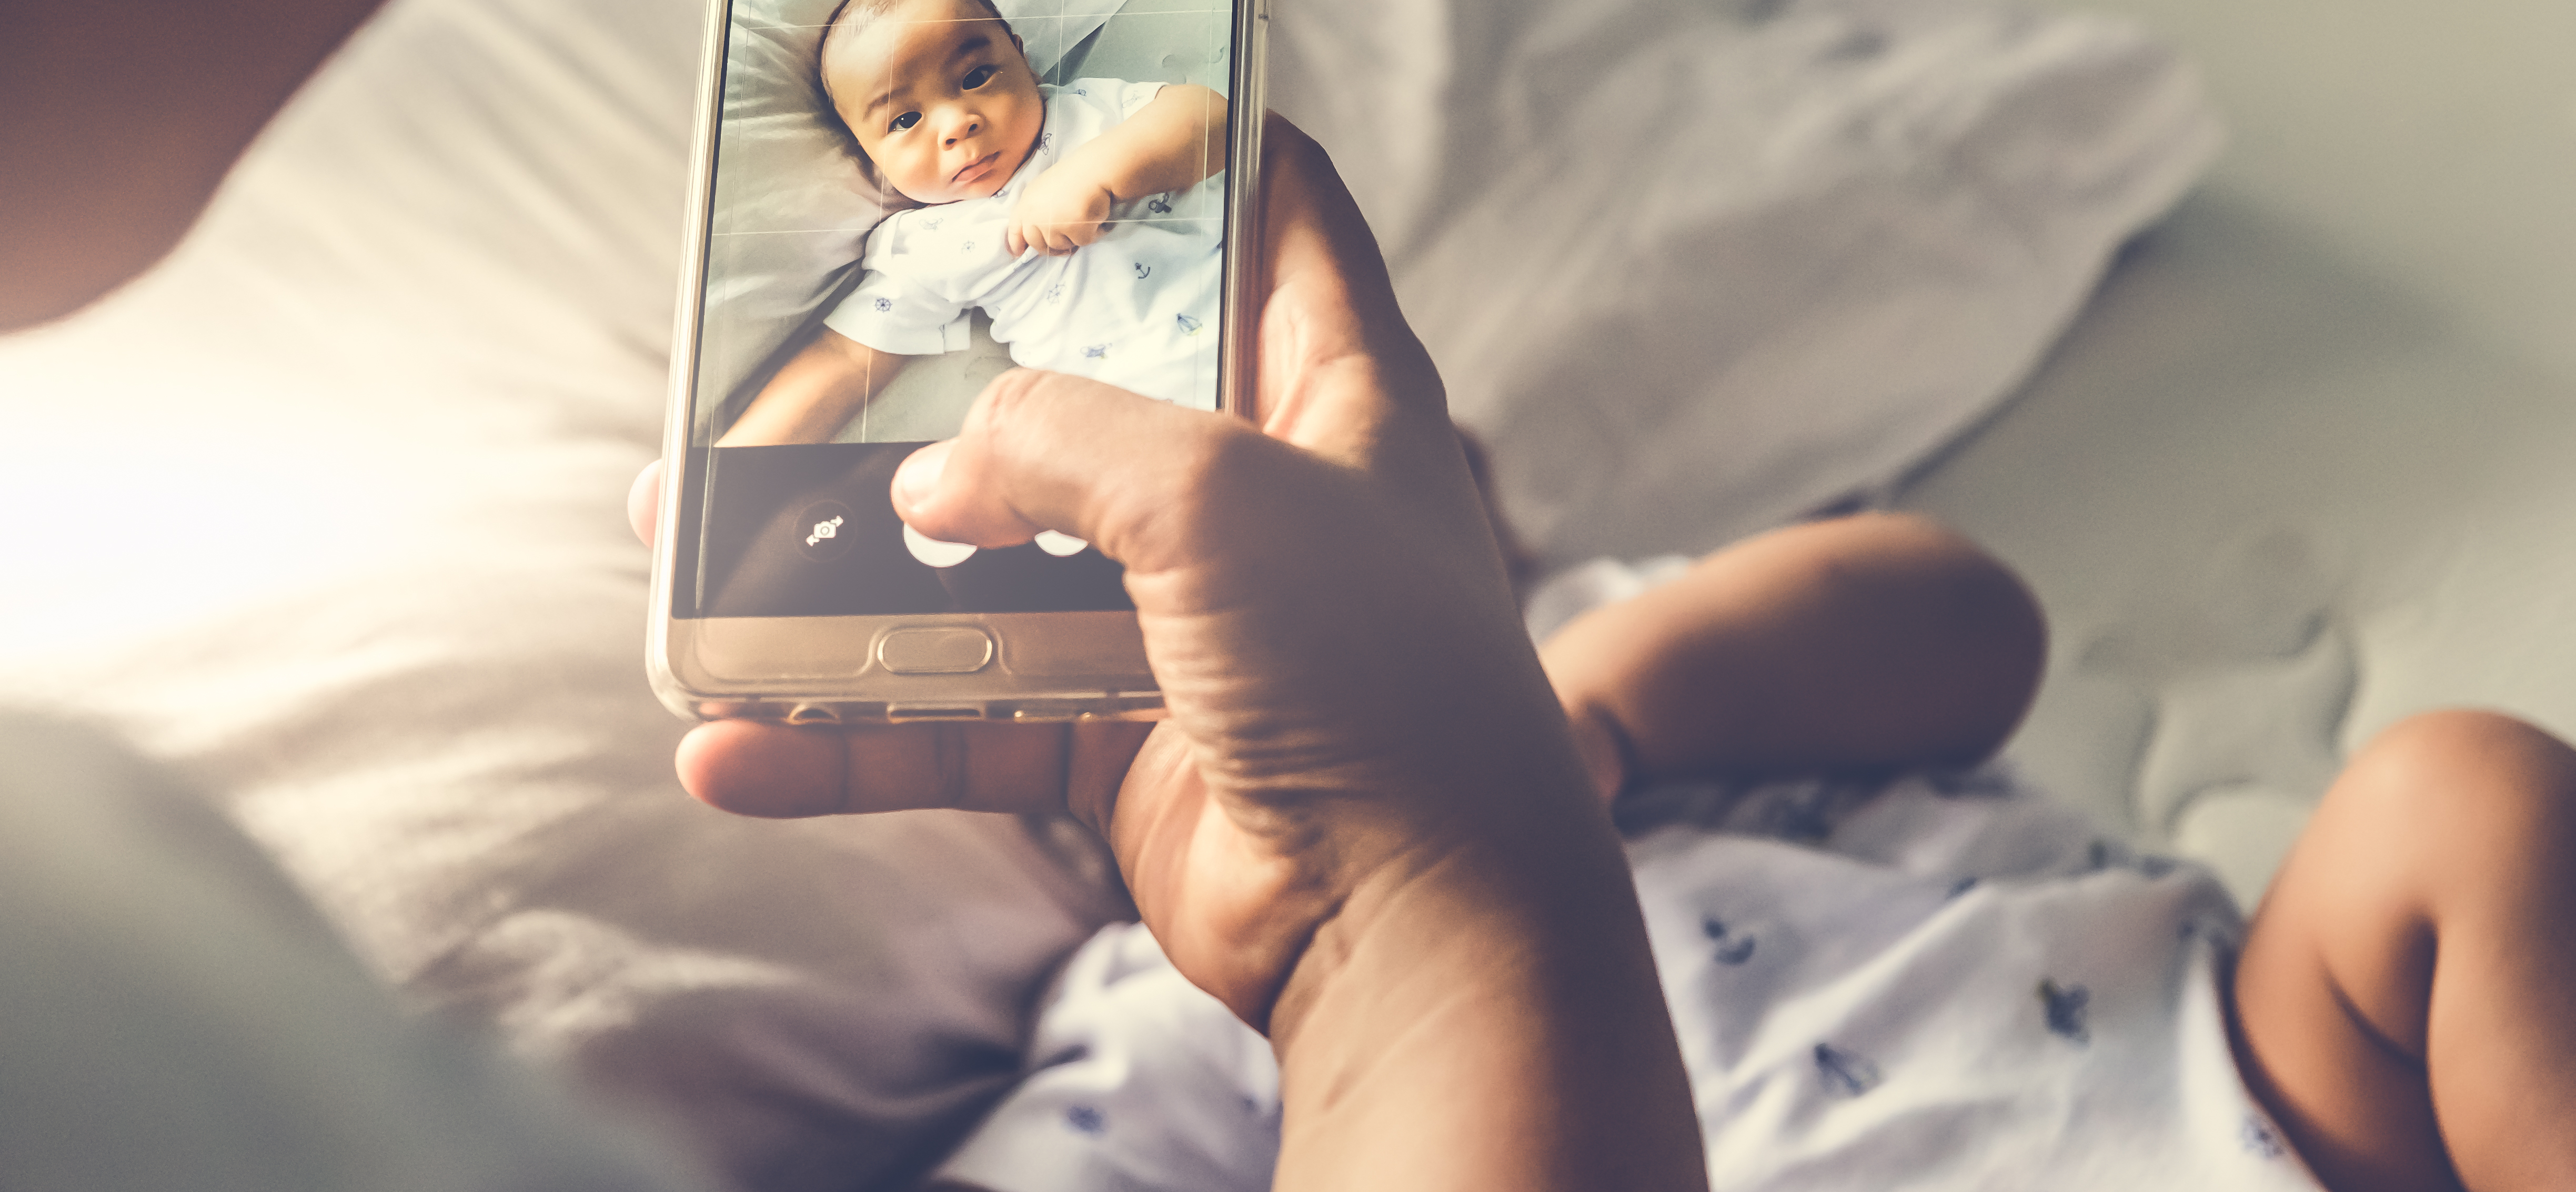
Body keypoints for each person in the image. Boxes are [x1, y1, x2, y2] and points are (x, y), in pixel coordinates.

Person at [0, 0, 1707, 1187]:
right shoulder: (100, 990)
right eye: (908, 107)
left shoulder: (1103, 120)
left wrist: (1103, 163)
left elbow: (1193, 123)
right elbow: (847, 359)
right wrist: (1413, 903)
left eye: (982, 64)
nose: (961, 117)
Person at [852, 505, 2576, 1192]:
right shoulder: (1178, 984)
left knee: (2455, 792)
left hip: (2257, 1089)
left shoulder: (1631, 656)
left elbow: (1973, 626)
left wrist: (1583, 707)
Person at [723, 0, 1229, 444]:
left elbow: (1212, 117)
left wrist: (1094, 172)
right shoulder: (922, 244)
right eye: (904, 121)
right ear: (866, 152)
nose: (957, 123)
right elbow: (848, 359)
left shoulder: (1090, 113)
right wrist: (740, 457)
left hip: (1238, 330)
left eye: (977, 76)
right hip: (1124, 425)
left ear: (1021, 57)